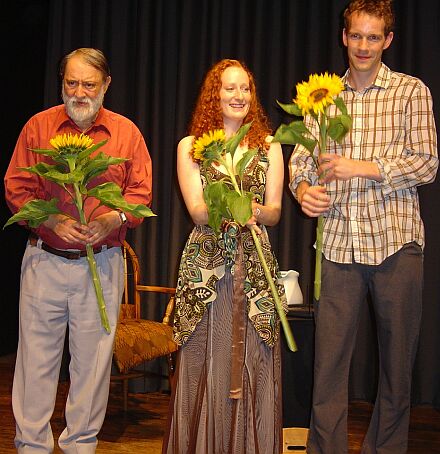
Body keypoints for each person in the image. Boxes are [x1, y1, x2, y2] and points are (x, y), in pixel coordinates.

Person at [288, 1, 438, 452]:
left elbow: (427, 163)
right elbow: (300, 160)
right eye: (356, 36)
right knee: (328, 368)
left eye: (374, 38)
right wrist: (303, 190)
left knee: (396, 368)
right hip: (337, 247)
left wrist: (363, 166)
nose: (364, 46)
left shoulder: (411, 92)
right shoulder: (322, 98)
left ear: (388, 41)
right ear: (344, 36)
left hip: (396, 245)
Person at [4, 47, 153, 452]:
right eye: (72, 83)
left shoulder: (126, 133)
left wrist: (112, 219)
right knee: (35, 366)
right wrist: (52, 221)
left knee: (91, 368)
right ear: (62, 84)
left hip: (101, 264)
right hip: (44, 261)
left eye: (89, 84)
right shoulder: (39, 127)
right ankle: (30, 448)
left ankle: (80, 447)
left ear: (106, 85)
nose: (80, 92)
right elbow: (18, 188)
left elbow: (139, 192)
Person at [162, 59, 286, 454]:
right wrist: (228, 207)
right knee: (207, 362)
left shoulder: (269, 145)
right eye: (230, 88)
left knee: (255, 361)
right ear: (214, 94)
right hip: (207, 269)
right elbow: (198, 210)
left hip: (254, 264)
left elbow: (275, 211)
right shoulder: (192, 147)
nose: (239, 96)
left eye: (245, 88)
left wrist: (254, 211)